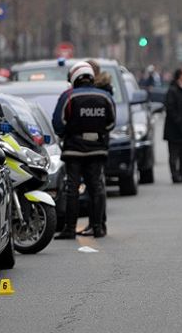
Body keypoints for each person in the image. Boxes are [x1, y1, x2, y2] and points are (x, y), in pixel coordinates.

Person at [53, 62, 116, 239]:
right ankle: (98, 228)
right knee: (96, 187)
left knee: (72, 188)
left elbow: (58, 123)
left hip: (74, 150)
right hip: (97, 150)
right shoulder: (105, 97)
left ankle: (70, 228)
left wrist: (70, 134)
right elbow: (111, 123)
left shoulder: (68, 96)